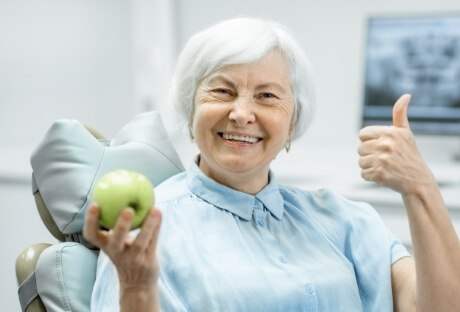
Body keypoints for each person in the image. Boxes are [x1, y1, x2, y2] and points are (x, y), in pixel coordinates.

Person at [83, 17, 460, 312]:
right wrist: (136, 288)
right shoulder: (148, 233)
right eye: (222, 91)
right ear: (189, 107)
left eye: (266, 96)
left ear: (292, 124)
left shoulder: (348, 221)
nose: (242, 113)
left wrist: (420, 186)